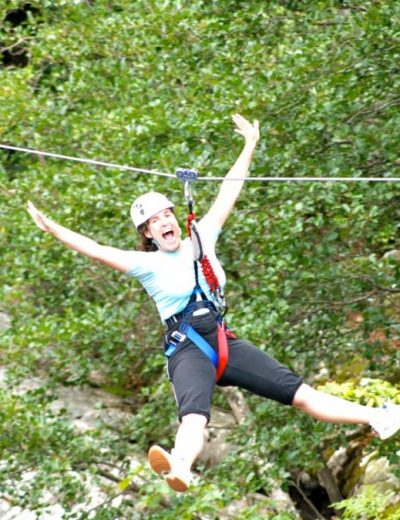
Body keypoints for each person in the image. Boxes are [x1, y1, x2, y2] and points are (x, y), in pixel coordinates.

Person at [28, 114, 400, 493]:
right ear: (148, 234)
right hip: (187, 348)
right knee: (194, 417)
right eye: (155, 221)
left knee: (300, 395)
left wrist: (249, 145)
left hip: (224, 343)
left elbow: (228, 190)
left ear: (175, 217)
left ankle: (379, 417)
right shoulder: (146, 264)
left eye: (167, 214)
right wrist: (54, 228)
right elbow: (96, 250)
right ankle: (181, 466)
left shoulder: (201, 238)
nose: (164, 222)